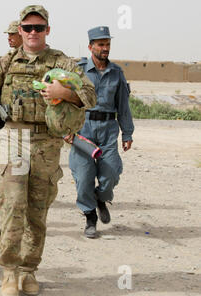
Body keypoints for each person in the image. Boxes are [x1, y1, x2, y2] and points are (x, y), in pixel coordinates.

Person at [0, 5, 96, 296]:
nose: (33, 32)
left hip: (47, 143)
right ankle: (9, 271)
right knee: (12, 206)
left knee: (37, 211)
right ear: (20, 31)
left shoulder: (63, 62)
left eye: (39, 27)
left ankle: (29, 270)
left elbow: (90, 95)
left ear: (47, 31)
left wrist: (64, 93)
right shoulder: (6, 61)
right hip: (14, 138)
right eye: (28, 27)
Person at [69, 26, 134, 238]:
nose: (105, 48)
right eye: (101, 45)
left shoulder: (116, 73)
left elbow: (123, 105)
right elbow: (62, 102)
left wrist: (127, 133)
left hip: (108, 130)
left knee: (111, 173)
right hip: (83, 129)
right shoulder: (78, 71)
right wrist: (64, 130)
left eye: (107, 45)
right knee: (84, 176)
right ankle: (90, 217)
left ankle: (100, 198)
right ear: (91, 47)